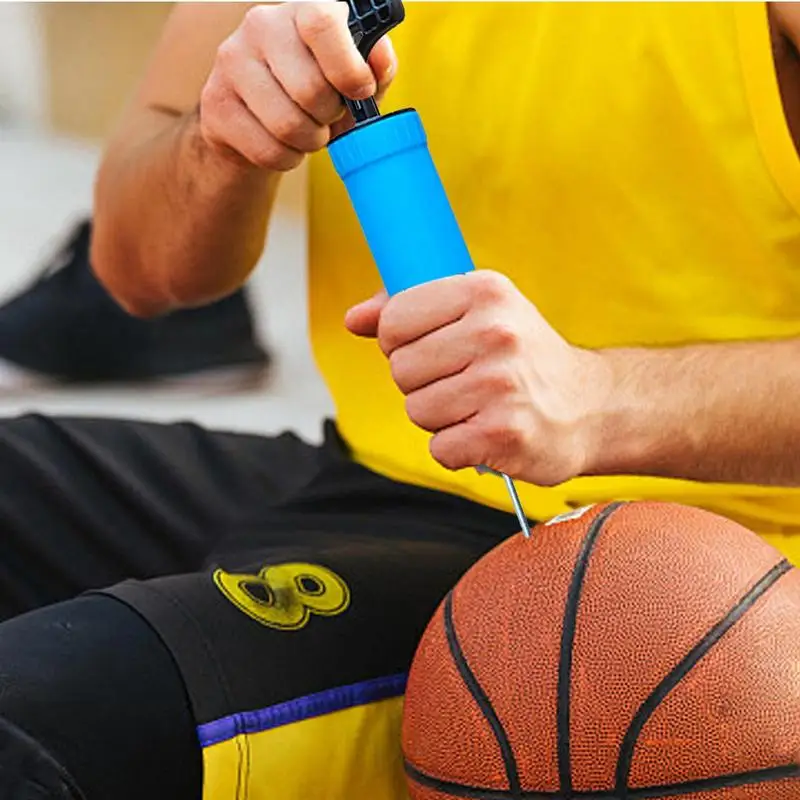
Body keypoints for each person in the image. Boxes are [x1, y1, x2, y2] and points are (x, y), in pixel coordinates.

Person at [0, 2, 799, 798]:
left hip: (684, 583)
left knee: (40, 712)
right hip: (372, 476)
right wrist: (221, 140)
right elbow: (136, 270)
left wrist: (603, 399)